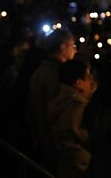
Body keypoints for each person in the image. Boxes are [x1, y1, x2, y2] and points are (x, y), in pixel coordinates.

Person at [26, 28, 77, 173]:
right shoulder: (55, 75)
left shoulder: (42, 71)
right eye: (72, 45)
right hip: (53, 143)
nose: (75, 50)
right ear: (62, 48)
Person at [48, 59, 95, 178]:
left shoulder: (61, 99)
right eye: (89, 77)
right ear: (79, 83)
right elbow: (68, 136)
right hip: (76, 168)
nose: (92, 82)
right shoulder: (76, 104)